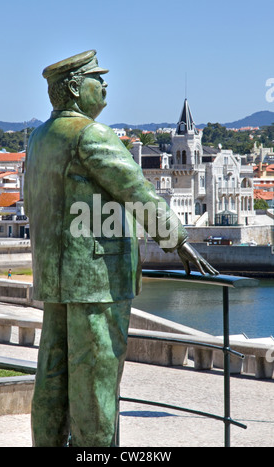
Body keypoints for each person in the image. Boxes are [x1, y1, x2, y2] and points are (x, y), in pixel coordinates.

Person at [24, 49, 218, 447]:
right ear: (77, 89)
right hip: (97, 281)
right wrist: (177, 240)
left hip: (55, 275)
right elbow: (137, 192)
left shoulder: (39, 137)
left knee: (53, 375)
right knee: (95, 377)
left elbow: (32, 202)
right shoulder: (91, 134)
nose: (106, 85)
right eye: (99, 78)